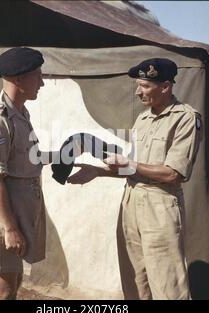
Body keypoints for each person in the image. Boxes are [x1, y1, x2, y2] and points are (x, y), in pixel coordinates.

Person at [67, 58, 202, 300]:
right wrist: (97, 171)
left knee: (168, 284)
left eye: (145, 86)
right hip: (131, 202)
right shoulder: (143, 118)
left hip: (160, 205)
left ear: (165, 87)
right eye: (138, 85)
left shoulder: (185, 118)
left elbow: (174, 173)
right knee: (135, 281)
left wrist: (129, 163)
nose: (138, 92)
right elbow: (133, 169)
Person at [0, 47, 46, 300]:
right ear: (18, 79)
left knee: (13, 282)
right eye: (37, 76)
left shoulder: (20, 113)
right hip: (5, 214)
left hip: (18, 210)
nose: (42, 82)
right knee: (2, 290)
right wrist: (10, 228)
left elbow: (20, 160)